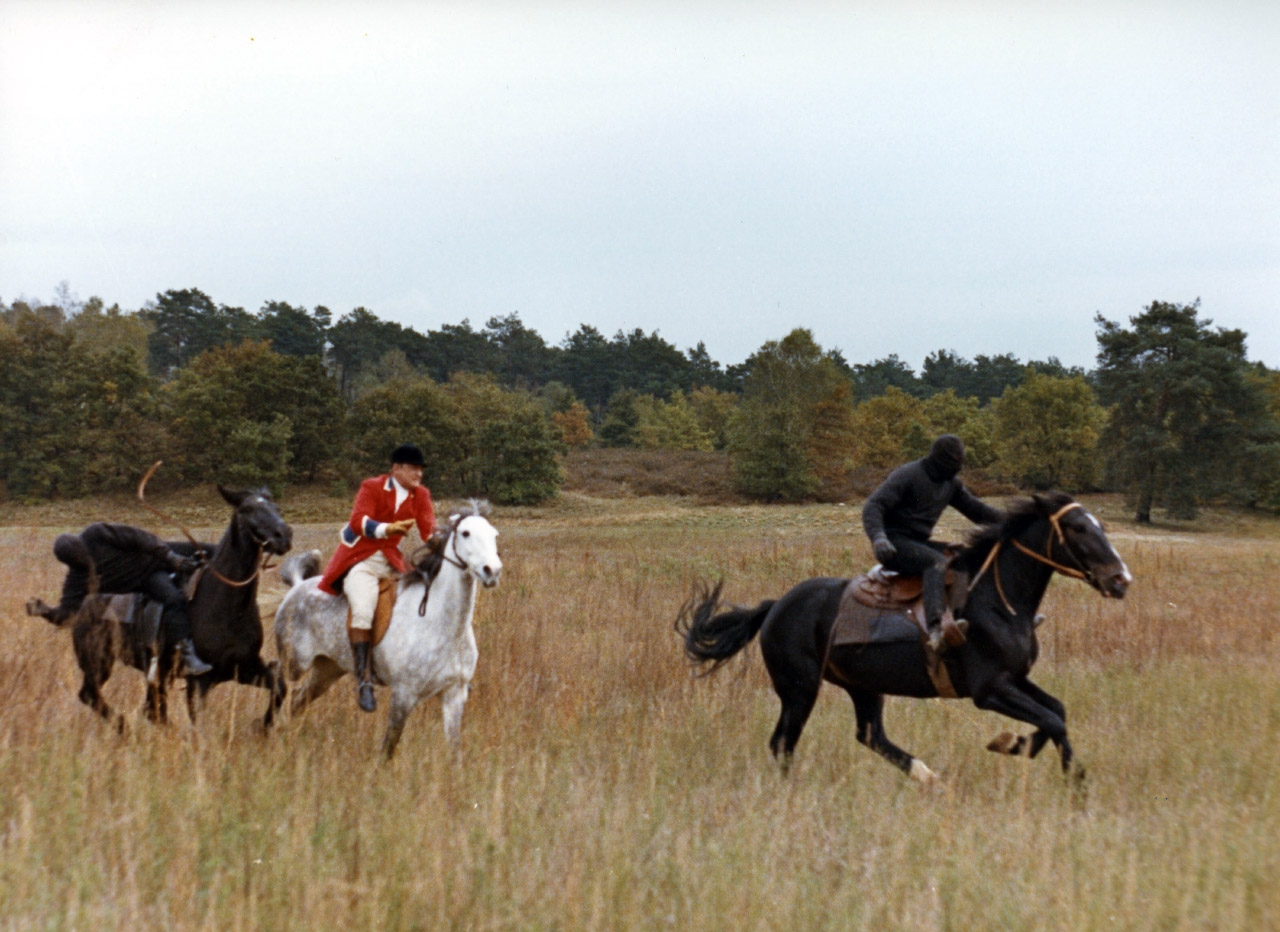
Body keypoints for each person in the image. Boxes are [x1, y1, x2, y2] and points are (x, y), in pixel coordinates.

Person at [319, 443, 436, 712]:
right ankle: (364, 680)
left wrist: (447, 544)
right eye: (413, 468)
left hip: (392, 561)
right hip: (362, 560)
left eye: (421, 469)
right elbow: (358, 522)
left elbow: (428, 531)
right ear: (397, 469)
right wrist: (387, 529)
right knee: (362, 609)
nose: (419, 474)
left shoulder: (421, 495)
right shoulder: (372, 487)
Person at [861, 434, 1003, 653]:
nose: (955, 472)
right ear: (939, 462)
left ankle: (962, 616)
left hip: (918, 543)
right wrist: (878, 537)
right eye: (951, 467)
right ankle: (935, 629)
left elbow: (977, 511)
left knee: (964, 558)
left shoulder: (951, 484)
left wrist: (1015, 521)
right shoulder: (908, 475)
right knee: (935, 562)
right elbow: (874, 506)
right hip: (893, 544)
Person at [42, 523, 213, 675]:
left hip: (158, 552)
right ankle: (188, 655)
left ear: (81, 543)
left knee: (214, 551)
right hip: (150, 576)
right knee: (173, 599)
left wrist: (172, 558)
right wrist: (44, 611)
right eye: (77, 561)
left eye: (81, 555)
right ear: (70, 563)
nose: (83, 560)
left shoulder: (96, 533)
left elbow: (139, 538)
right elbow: (66, 614)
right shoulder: (77, 579)